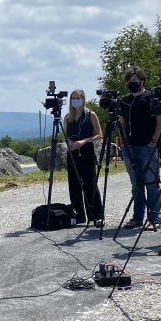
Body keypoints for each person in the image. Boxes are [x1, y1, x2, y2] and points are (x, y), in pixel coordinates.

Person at [118, 67, 161, 230]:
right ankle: (137, 218)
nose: (132, 84)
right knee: (136, 184)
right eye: (129, 82)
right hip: (129, 146)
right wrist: (122, 142)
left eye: (135, 81)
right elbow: (122, 122)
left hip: (147, 146)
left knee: (151, 183)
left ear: (142, 80)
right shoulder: (125, 100)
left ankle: (155, 219)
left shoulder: (151, 97)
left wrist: (154, 139)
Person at [64, 89, 104, 226]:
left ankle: (96, 215)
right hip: (72, 153)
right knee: (74, 185)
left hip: (86, 150)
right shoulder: (67, 117)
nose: (76, 100)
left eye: (78, 98)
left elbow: (99, 134)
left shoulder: (90, 115)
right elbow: (65, 135)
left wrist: (84, 141)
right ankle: (79, 215)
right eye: (73, 98)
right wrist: (69, 143)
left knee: (90, 184)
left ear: (83, 99)